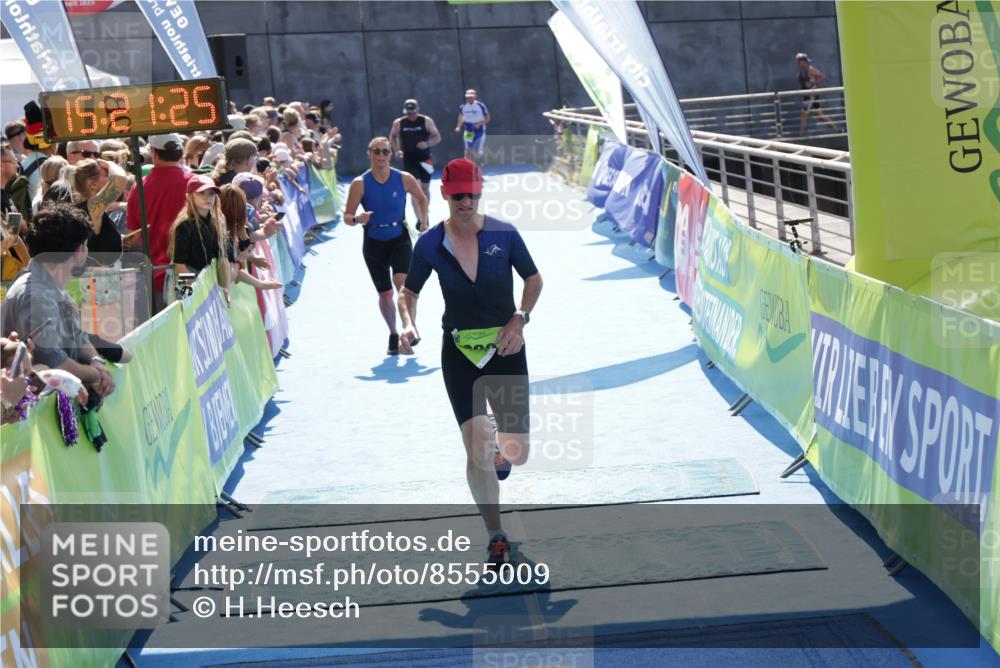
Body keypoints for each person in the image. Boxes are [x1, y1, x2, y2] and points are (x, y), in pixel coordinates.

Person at [399, 158, 542, 569]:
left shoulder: (503, 233)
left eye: (472, 194)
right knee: (475, 446)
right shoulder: (430, 243)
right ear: (446, 194)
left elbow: (533, 279)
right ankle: (496, 535)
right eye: (459, 195)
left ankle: (502, 445)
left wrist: (520, 318)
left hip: (506, 348)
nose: (466, 201)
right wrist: (408, 324)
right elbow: (410, 293)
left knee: (518, 452)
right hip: (460, 353)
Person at [1, 203, 126, 401]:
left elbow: (77, 335)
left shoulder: (49, 284)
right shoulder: (35, 295)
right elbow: (54, 362)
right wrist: (95, 375)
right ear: (79, 251)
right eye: (86, 245)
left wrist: (96, 361)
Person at [343, 137, 428, 355]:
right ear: (369, 153)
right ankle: (393, 332)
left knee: (403, 285)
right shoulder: (360, 183)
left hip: (399, 237)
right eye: (376, 151)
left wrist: (424, 221)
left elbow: (421, 198)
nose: (381, 156)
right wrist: (358, 219)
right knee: (385, 294)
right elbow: (347, 216)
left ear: (391, 154)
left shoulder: (404, 178)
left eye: (385, 152)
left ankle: (410, 327)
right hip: (373, 242)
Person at [125, 133, 194, 313]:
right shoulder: (195, 184)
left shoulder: (139, 187)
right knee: (188, 319)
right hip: (190, 273)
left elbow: (134, 236)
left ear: (154, 153)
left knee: (167, 325)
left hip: (156, 276)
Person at [168, 175, 232, 301]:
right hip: (185, 282)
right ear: (189, 196)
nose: (207, 198)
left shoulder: (217, 222)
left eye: (211, 193)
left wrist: (226, 288)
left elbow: (223, 259)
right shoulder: (184, 225)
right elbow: (179, 266)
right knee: (185, 313)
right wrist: (199, 287)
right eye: (201, 193)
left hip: (204, 281)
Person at [65, 158, 129, 266]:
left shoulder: (86, 209)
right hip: (96, 275)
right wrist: (108, 163)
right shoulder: (92, 207)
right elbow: (120, 179)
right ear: (93, 184)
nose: (110, 178)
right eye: (106, 175)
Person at [390, 99, 441, 228]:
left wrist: (427, 143)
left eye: (413, 112)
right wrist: (397, 150)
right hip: (409, 160)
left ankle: (425, 212)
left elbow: (437, 137)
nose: (411, 115)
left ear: (417, 109)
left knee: (425, 188)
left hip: (425, 159)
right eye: (408, 113)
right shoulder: (399, 123)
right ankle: (420, 219)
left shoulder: (426, 121)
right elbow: (393, 136)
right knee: (415, 188)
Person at [796, 52, 841, 135]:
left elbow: (822, 77)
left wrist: (812, 83)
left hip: (810, 96)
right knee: (820, 116)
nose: (803, 63)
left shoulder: (810, 69)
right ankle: (837, 130)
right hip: (808, 95)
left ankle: (800, 135)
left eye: (804, 61)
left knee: (803, 115)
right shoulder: (802, 71)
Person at [454, 89, 490, 162]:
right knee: (468, 149)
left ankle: (482, 156)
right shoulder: (463, 107)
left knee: (476, 153)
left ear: (474, 97)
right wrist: (458, 126)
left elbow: (488, 118)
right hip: (469, 130)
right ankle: (467, 165)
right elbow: (461, 116)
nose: (469, 98)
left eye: (471, 97)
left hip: (479, 131)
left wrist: (479, 123)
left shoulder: (480, 106)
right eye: (468, 97)